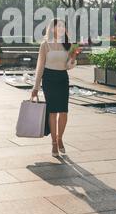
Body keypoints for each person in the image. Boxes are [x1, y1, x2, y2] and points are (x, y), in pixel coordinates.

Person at [31, 19, 82, 157]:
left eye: (63, 26)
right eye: (58, 25)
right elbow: (40, 66)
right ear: (52, 28)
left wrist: (73, 58)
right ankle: (54, 142)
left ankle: (60, 139)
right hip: (48, 79)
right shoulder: (45, 44)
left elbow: (68, 66)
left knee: (64, 112)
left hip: (62, 78)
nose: (61, 28)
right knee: (52, 112)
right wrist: (35, 87)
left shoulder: (69, 45)